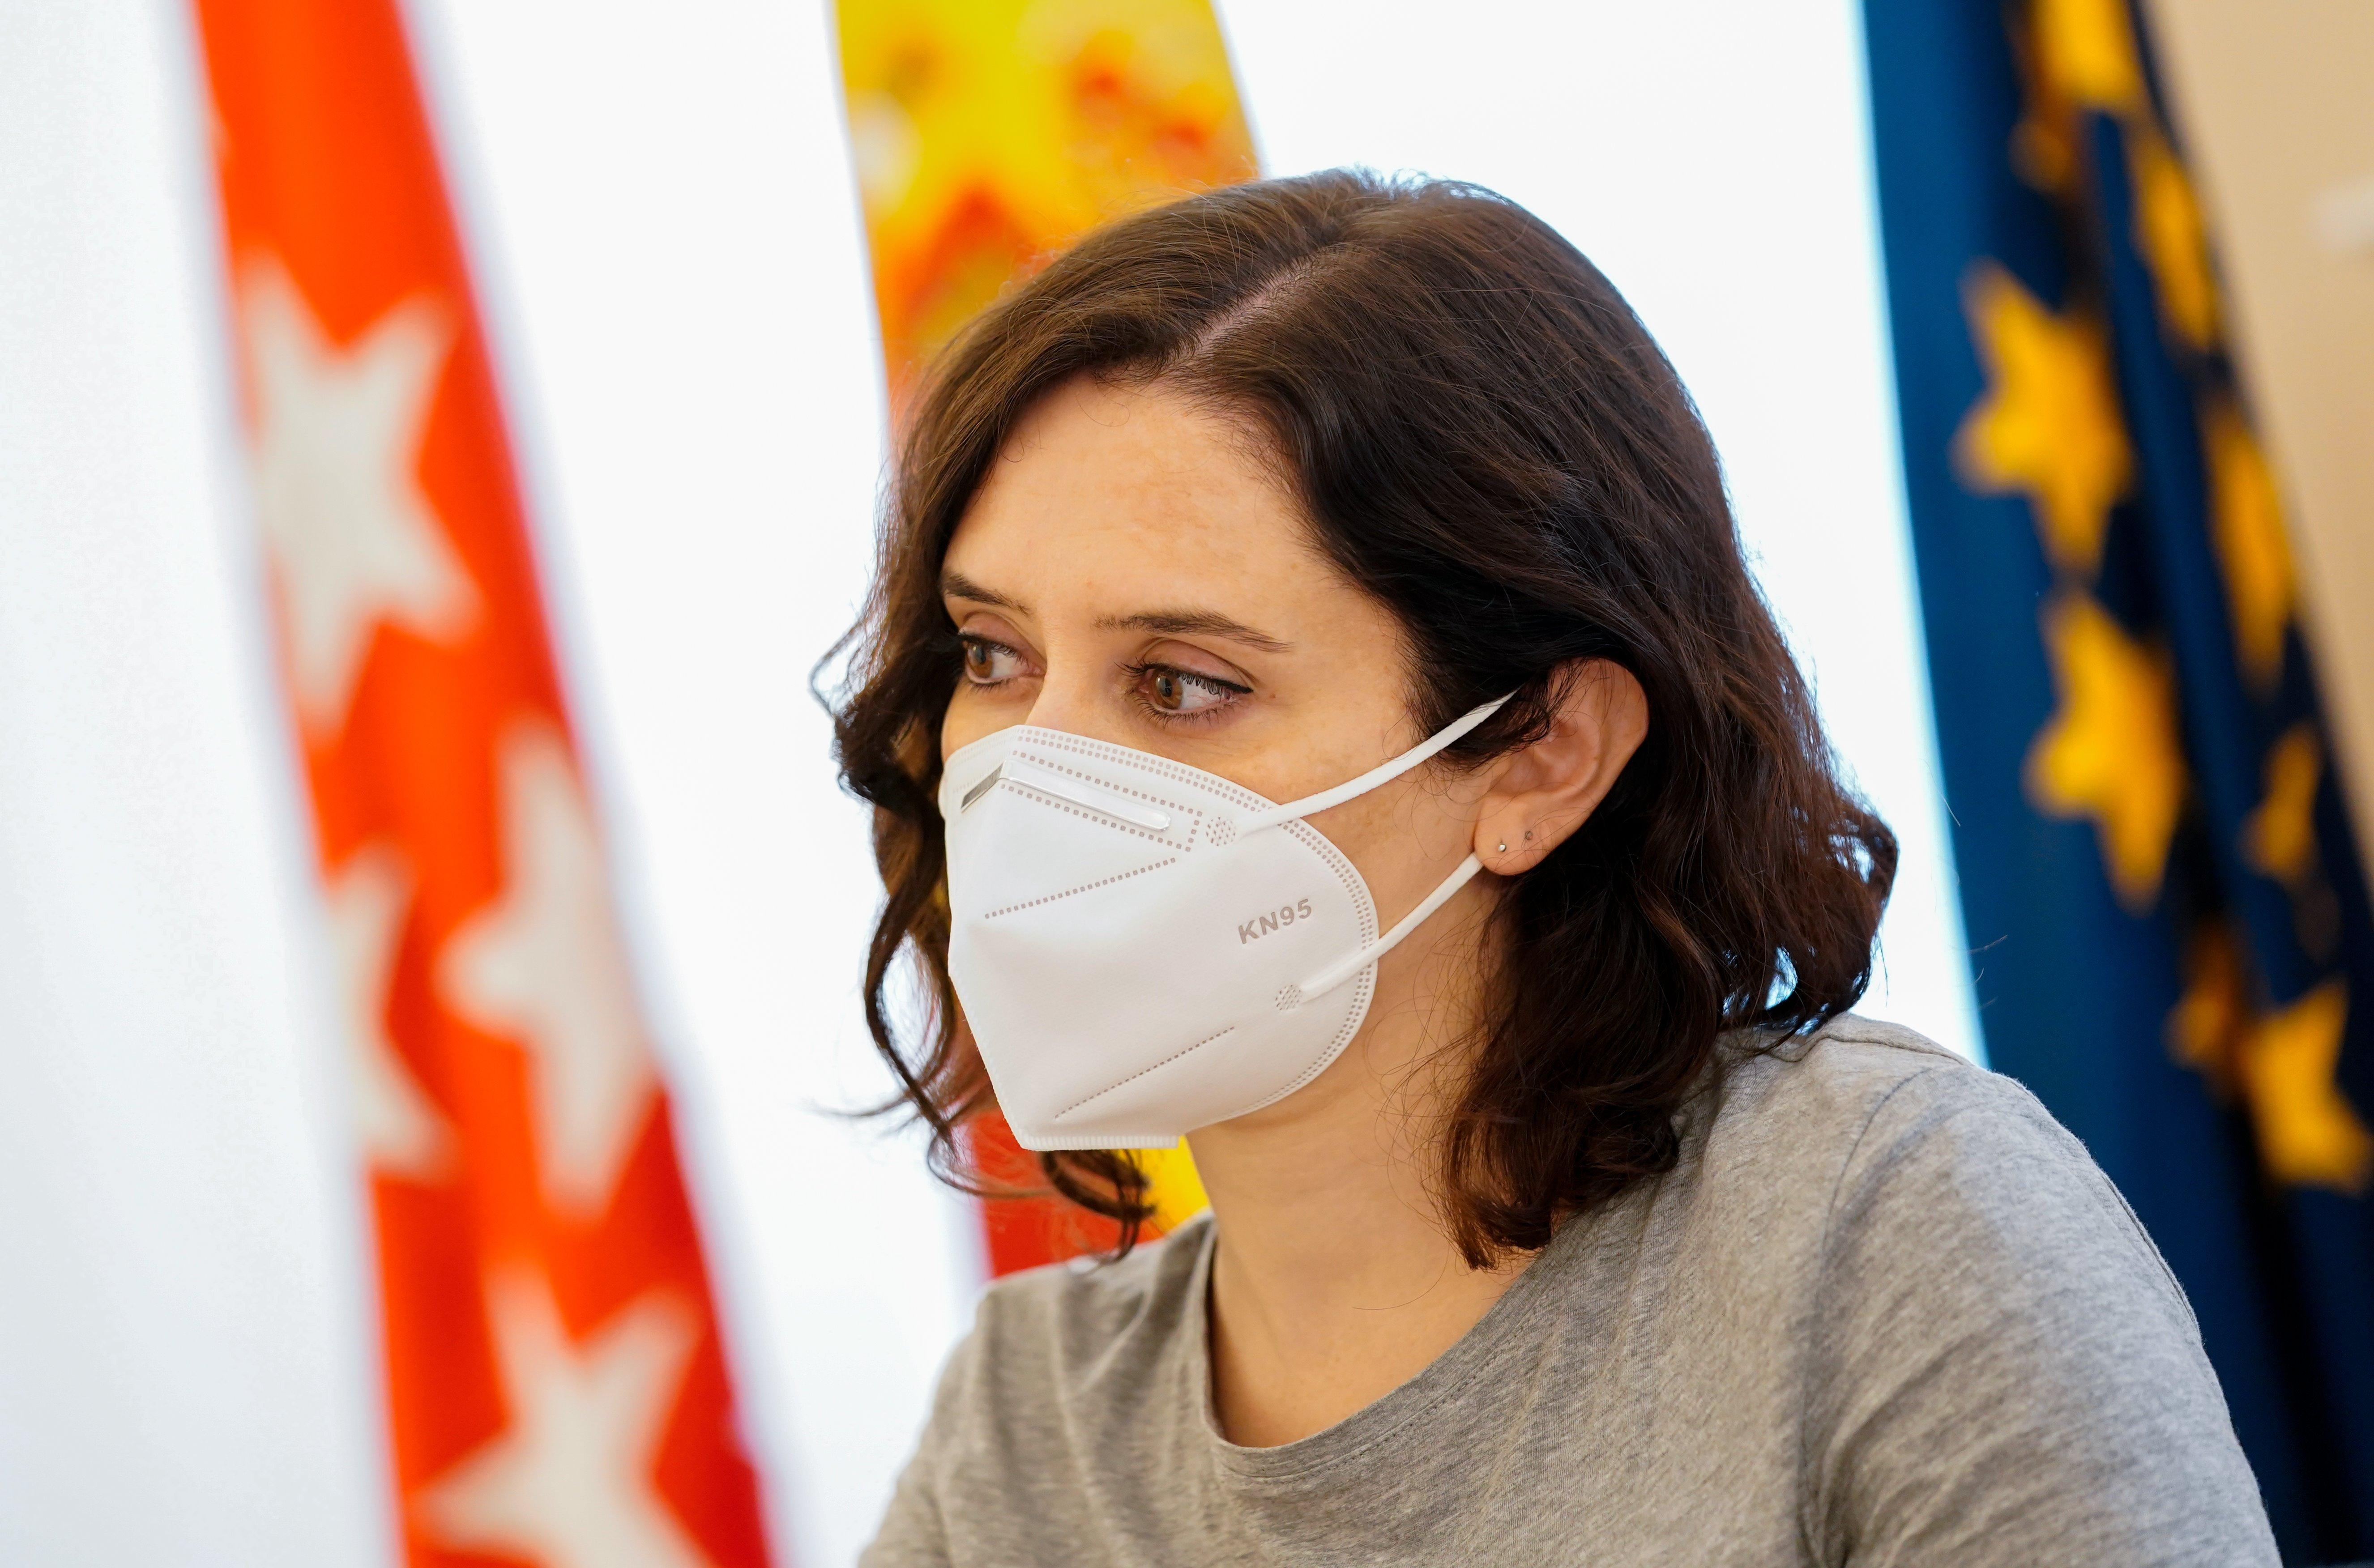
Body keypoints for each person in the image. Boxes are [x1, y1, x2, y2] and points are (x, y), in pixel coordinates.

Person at [831, 170, 2277, 1566]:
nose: (1029, 772)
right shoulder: (1030, 1417)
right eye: (990, 655)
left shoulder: (1888, 1229)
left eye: (1183, 681)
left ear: (1543, 755)